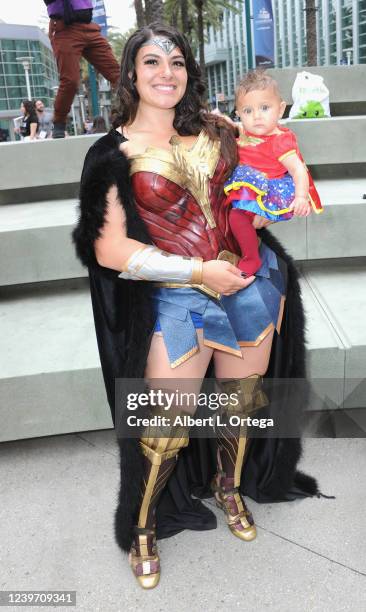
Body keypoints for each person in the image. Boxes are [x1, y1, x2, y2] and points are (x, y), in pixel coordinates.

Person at [72, 23, 322, 590]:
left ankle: (228, 489)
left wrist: (276, 206)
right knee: (163, 427)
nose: (167, 73)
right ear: (131, 72)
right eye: (153, 62)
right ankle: (143, 527)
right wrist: (196, 272)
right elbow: (109, 248)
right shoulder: (111, 152)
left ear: (190, 72)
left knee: (240, 407)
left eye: (178, 62)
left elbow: (257, 190)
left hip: (246, 290)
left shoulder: (218, 130)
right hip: (173, 301)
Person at [224, 70, 323, 277]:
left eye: (264, 108)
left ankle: (251, 257)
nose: (257, 116)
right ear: (239, 114)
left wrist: (301, 197)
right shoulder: (243, 133)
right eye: (248, 111)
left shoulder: (279, 141)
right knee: (236, 217)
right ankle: (250, 252)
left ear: (280, 109)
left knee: (238, 215)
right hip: (248, 191)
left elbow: (298, 170)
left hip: (271, 190)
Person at [44, 0, 120, 138]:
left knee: (119, 76)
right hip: (64, 29)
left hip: (89, 27)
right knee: (70, 81)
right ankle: (59, 123)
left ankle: (131, 116)